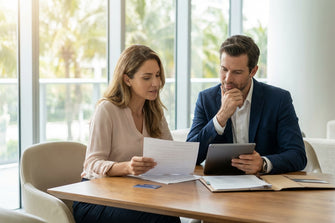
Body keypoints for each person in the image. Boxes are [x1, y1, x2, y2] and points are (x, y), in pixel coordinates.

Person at [73, 45, 180, 223]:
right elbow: (91, 163)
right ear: (127, 80)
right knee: (160, 219)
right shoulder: (107, 109)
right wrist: (127, 167)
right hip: (95, 198)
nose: (156, 83)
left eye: (158, 75)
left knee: (168, 216)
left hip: (132, 194)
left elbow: (169, 151)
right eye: (147, 77)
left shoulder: (154, 111)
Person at [186, 35, 307, 175]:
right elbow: (190, 156)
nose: (228, 79)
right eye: (224, 69)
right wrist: (221, 117)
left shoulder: (278, 99)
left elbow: (298, 155)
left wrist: (263, 163)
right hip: (219, 185)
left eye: (237, 72)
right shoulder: (206, 99)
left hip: (265, 187)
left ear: (253, 71)